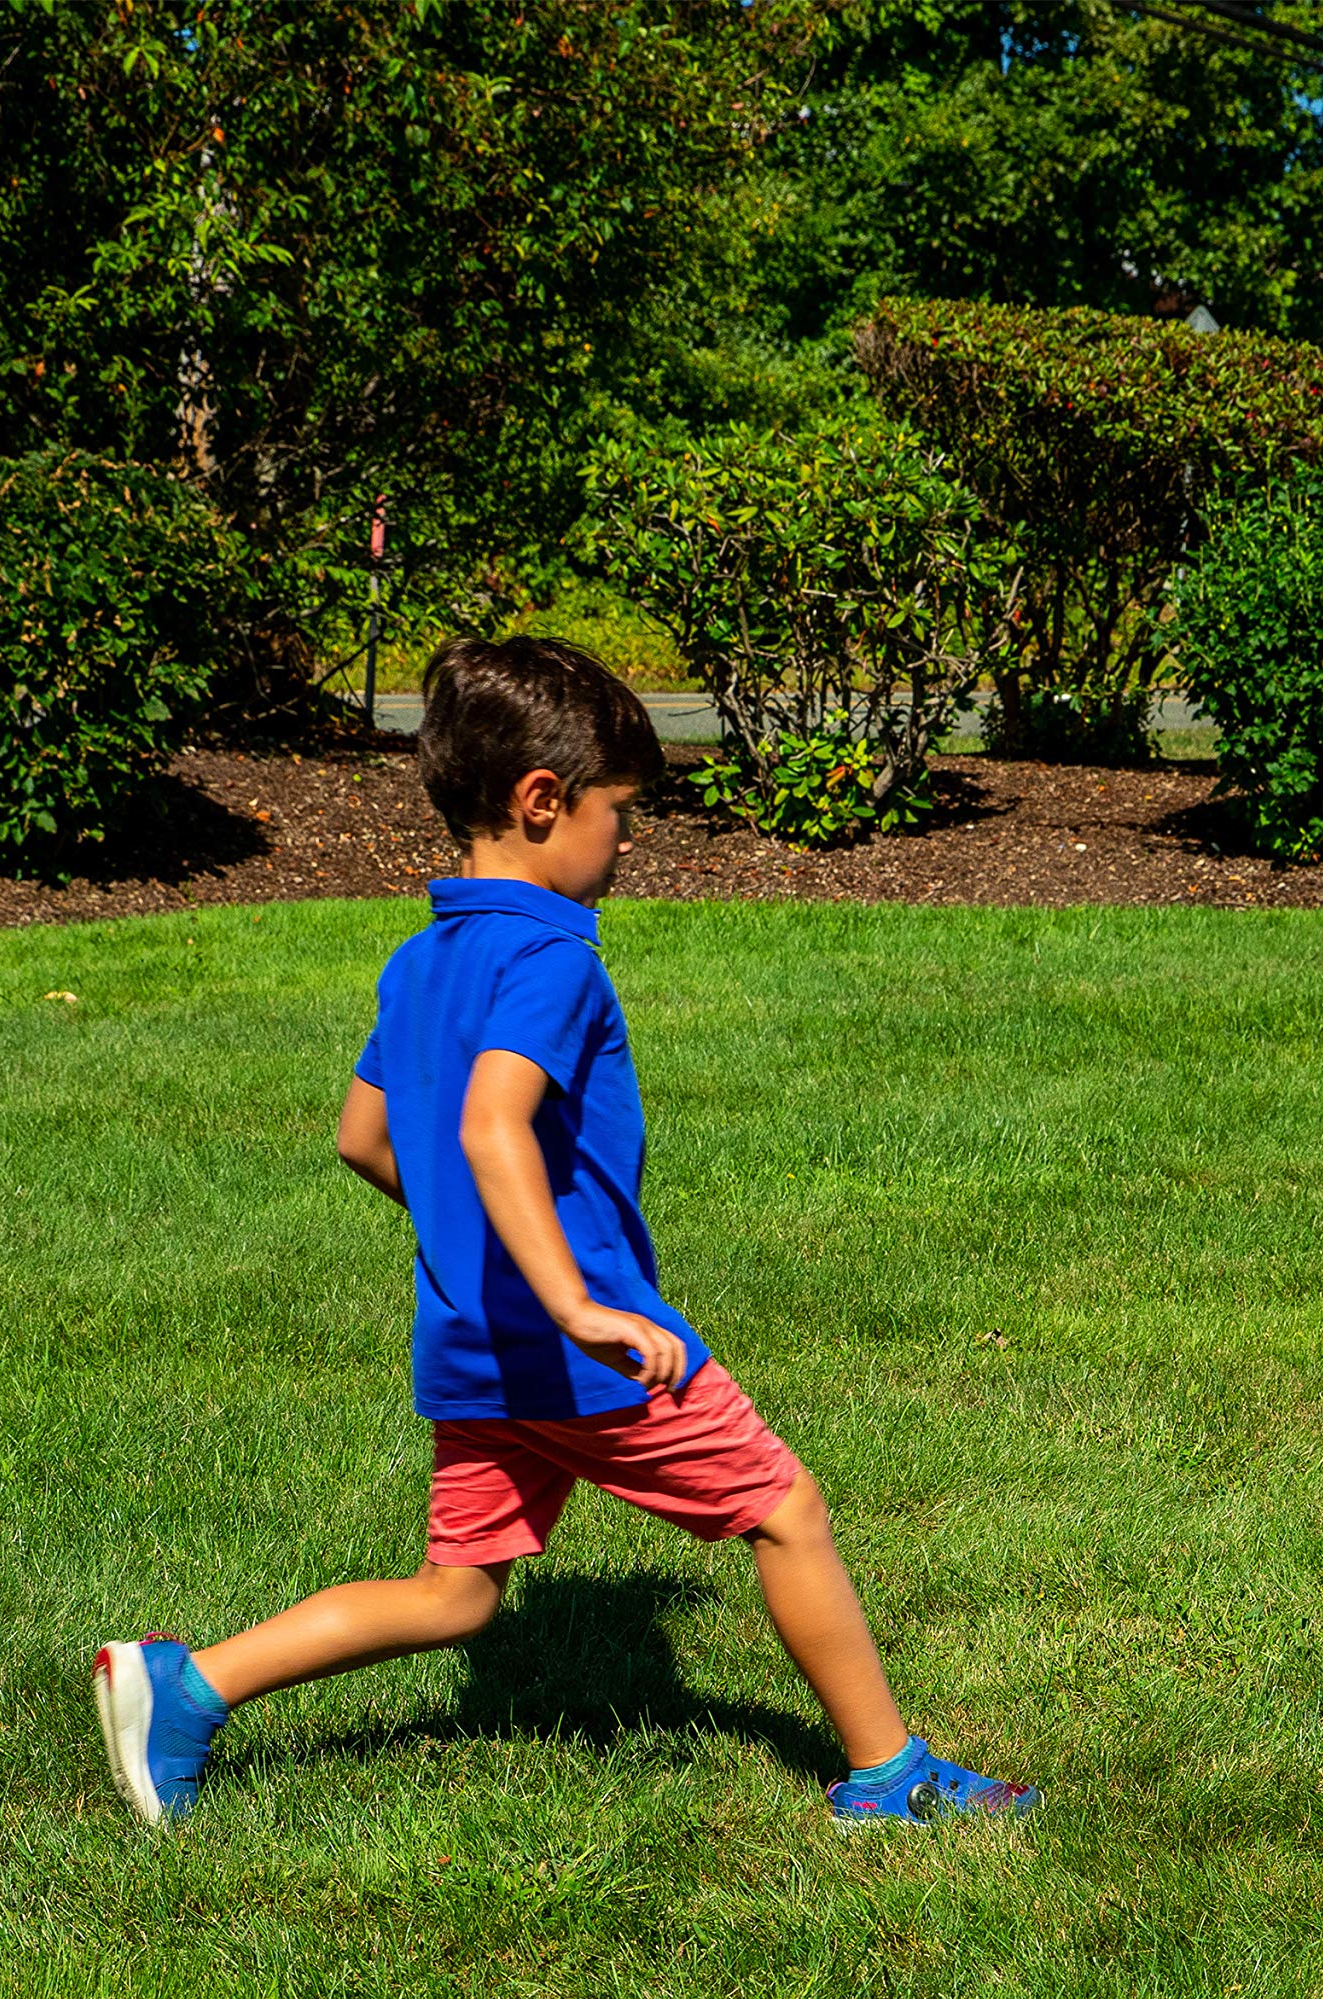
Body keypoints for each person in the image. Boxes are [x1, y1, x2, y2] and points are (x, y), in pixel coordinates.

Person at [92, 637, 1036, 1831]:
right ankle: (886, 1775)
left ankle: (189, 1686)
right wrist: (582, 1302)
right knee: (785, 1508)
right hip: (580, 1345)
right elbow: (493, 1125)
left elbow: (364, 1139)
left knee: (457, 1596)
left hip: (476, 1339)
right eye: (621, 814)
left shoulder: (420, 958)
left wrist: (474, 1242)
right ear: (544, 803)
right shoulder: (552, 955)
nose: (629, 843)